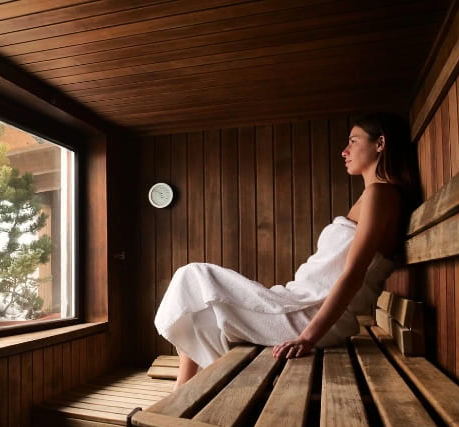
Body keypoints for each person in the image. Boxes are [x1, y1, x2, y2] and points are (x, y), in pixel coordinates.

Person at [154, 113, 419, 389]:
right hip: (299, 303)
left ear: (380, 143)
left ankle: (182, 394)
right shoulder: (373, 197)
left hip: (310, 314)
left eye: (353, 141)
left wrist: (307, 338)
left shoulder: (382, 195)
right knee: (194, 304)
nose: (345, 151)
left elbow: (353, 274)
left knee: (192, 278)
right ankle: (182, 394)